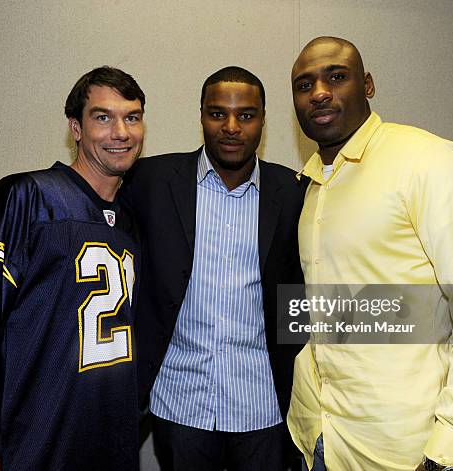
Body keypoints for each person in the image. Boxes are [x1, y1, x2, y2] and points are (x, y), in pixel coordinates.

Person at [287, 37, 453, 471]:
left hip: (407, 449)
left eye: (336, 76)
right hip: (320, 436)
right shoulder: (314, 186)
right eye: (304, 84)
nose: (319, 91)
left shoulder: (428, 161)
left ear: (367, 85)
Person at [0, 66, 144, 470]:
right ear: (75, 127)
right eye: (103, 117)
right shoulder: (24, 198)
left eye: (132, 117)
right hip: (29, 452)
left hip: (109, 452)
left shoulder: (129, 222)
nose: (120, 132)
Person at [120, 66, 307, 470]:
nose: (231, 127)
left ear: (263, 119)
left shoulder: (293, 192)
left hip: (264, 405)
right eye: (218, 113)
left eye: (246, 115)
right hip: (180, 400)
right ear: (201, 115)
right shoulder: (151, 180)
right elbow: (92, 201)